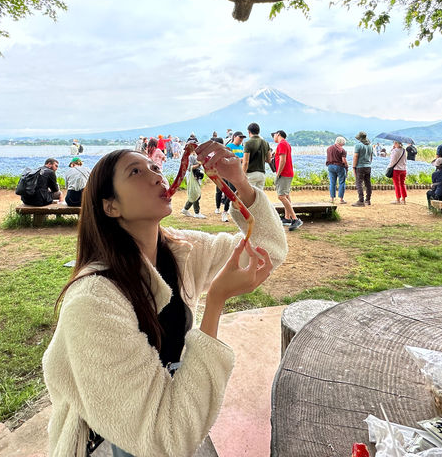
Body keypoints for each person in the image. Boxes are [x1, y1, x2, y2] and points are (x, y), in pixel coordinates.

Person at [42, 143, 287, 457]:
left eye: (155, 168)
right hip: (112, 437)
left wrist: (240, 185)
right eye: (136, 172)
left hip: (171, 403)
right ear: (111, 206)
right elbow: (161, 440)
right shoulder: (92, 302)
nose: (157, 176)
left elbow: (268, 251)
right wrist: (215, 302)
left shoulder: (180, 250)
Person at [271, 131, 302, 231]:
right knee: (286, 195)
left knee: (281, 196)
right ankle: (287, 218)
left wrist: (278, 174)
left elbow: (282, 160)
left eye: (274, 135)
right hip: (288, 172)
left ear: (278, 134)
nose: (273, 137)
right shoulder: (286, 144)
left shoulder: (282, 144)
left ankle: (295, 218)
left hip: (284, 173)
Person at [215, 132, 246, 222]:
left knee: (239, 193)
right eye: (240, 137)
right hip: (230, 173)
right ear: (234, 137)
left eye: (242, 138)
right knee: (232, 192)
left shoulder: (242, 147)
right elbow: (225, 159)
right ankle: (225, 211)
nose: (241, 140)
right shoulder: (229, 146)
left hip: (239, 173)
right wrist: (239, 159)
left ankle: (236, 212)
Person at [242, 122, 270, 190]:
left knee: (249, 197)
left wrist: (242, 175)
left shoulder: (248, 143)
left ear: (249, 132)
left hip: (251, 174)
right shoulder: (266, 143)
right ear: (258, 131)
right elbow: (269, 160)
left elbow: (246, 162)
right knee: (259, 197)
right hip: (261, 174)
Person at [181, 152, 206, 218]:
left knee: (195, 194)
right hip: (192, 177)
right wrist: (199, 165)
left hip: (195, 177)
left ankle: (185, 209)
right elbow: (189, 168)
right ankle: (196, 212)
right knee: (195, 194)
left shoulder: (195, 155)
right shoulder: (190, 156)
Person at [351, 131, 373, 207]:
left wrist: (353, 166)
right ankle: (368, 200)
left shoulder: (358, 145)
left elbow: (355, 156)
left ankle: (361, 200)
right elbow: (371, 156)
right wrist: (369, 163)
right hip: (368, 166)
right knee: (368, 183)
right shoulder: (370, 145)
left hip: (360, 167)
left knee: (359, 183)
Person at [325, 136, 348, 205]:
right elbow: (343, 160)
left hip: (330, 166)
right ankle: (341, 199)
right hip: (339, 166)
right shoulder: (342, 150)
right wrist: (347, 166)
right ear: (342, 143)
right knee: (341, 182)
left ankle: (332, 199)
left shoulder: (329, 148)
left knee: (332, 183)